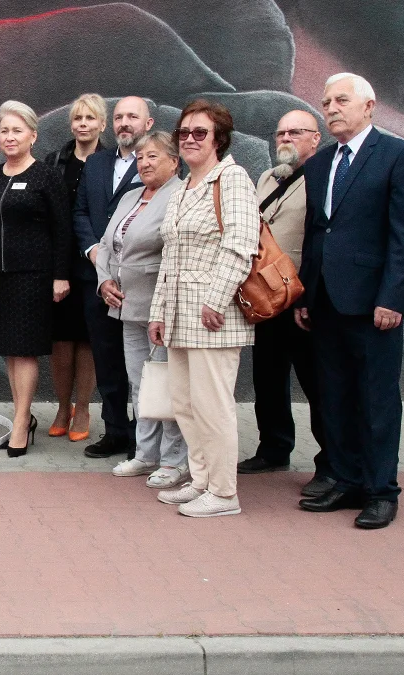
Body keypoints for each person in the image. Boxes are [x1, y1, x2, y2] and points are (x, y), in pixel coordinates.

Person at [295, 74, 404, 529]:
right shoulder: (321, 162)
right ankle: (347, 480)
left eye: (341, 100)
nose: (330, 108)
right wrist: (306, 294)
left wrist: (392, 297)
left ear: (369, 106)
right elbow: (317, 231)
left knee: (376, 400)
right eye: (326, 101)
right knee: (334, 397)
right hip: (327, 302)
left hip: (374, 306)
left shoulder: (398, 156)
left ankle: (380, 490)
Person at [148, 99, 258, 518]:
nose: (190, 139)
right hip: (178, 316)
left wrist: (216, 299)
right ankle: (201, 481)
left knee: (213, 407)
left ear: (219, 140)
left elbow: (240, 245)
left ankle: (225, 493)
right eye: (184, 132)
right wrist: (158, 312)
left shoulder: (231, 179)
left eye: (200, 133)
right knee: (185, 405)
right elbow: (169, 258)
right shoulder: (182, 189)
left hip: (213, 316)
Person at [236, 110, 331, 495]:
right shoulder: (267, 178)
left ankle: (330, 461)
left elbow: (321, 240)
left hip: (302, 295)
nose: (285, 138)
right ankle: (274, 448)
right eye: (280, 133)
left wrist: (309, 292)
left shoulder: (324, 178)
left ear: (315, 139)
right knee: (268, 376)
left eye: (295, 132)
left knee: (316, 382)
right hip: (266, 294)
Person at [0, 100, 71, 457]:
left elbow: (63, 229)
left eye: (16, 130)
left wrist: (61, 276)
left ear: (33, 135)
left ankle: (19, 421)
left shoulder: (45, 175)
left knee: (25, 350)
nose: (9, 137)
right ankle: (22, 415)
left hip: (34, 275)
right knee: (9, 351)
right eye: (4, 131)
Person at [95, 131, 188, 488]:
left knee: (167, 384)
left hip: (161, 309)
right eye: (140, 157)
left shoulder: (180, 195)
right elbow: (105, 245)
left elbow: (175, 251)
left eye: (153, 156)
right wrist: (104, 281)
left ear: (174, 161)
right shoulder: (132, 195)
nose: (144, 163)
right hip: (125, 305)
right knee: (141, 383)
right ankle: (145, 454)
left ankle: (174, 461)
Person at [73, 96, 154, 459]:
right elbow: (80, 212)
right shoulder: (95, 163)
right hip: (97, 278)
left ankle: (144, 436)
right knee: (106, 358)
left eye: (132, 117)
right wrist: (94, 254)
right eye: (119, 116)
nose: (125, 123)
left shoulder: (159, 165)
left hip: (139, 281)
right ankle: (115, 430)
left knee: (140, 363)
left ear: (148, 124)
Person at [47, 93, 104, 442]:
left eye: (90, 119)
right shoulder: (56, 161)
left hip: (96, 264)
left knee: (88, 340)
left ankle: (83, 407)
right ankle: (61, 405)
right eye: (78, 119)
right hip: (58, 264)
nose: (83, 124)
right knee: (60, 341)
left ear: (101, 123)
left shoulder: (111, 162)